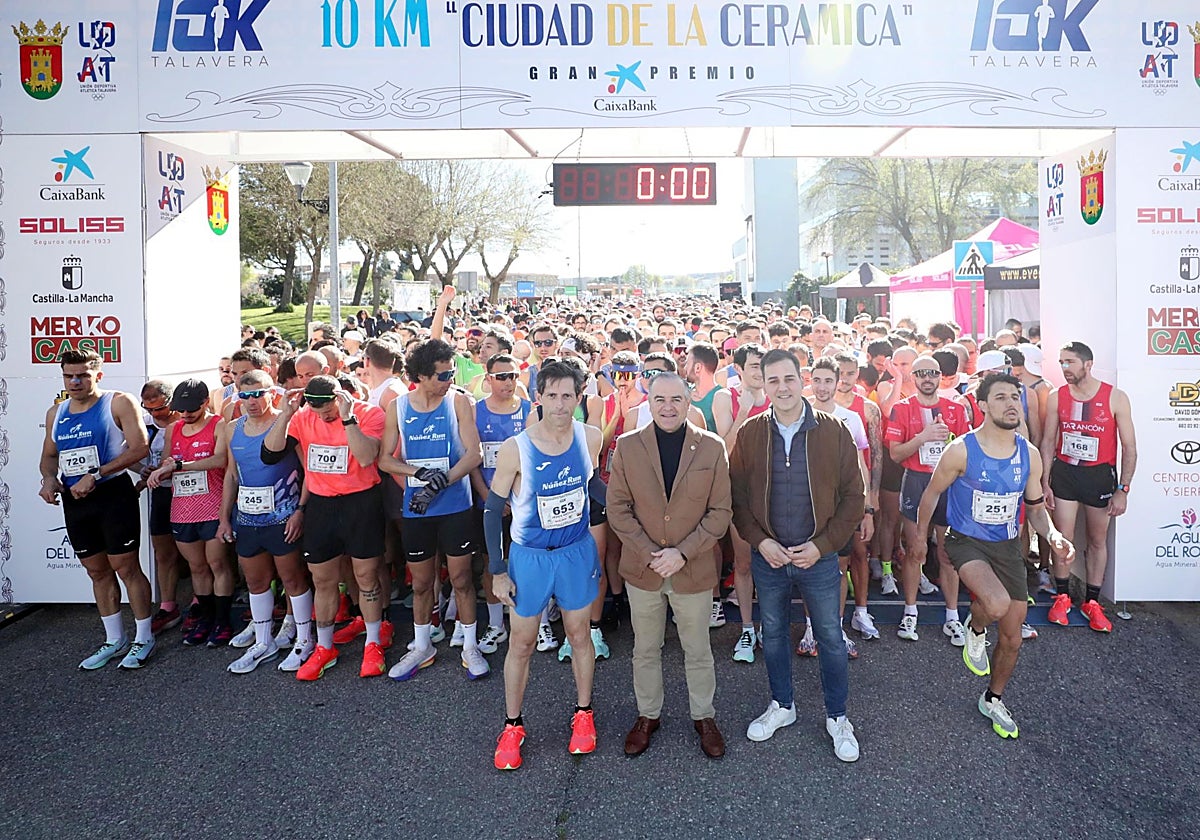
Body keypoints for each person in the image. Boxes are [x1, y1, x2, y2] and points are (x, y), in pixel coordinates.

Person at [910, 372, 1075, 738]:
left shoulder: (1029, 454)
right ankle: (976, 626)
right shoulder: (962, 450)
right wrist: (921, 539)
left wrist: (1052, 533)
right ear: (982, 405)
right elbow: (931, 494)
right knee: (997, 603)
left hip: (1007, 546)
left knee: (1014, 637)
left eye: (1015, 397)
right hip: (965, 541)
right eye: (1000, 397)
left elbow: (1034, 507)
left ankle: (993, 698)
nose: (1011, 403)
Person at [730, 349, 865, 762]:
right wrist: (760, 541)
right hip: (768, 558)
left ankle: (838, 716)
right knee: (772, 636)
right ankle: (782, 706)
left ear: (801, 378)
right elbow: (735, 498)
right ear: (763, 384)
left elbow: (853, 498)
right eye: (773, 381)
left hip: (818, 558)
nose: (782, 388)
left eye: (789, 379)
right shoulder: (752, 433)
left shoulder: (834, 430)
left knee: (830, 637)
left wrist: (822, 546)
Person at [606, 372, 732, 758]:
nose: (668, 407)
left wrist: (682, 552)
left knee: (698, 649)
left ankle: (704, 716)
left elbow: (719, 512)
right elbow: (618, 509)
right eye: (660, 399)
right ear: (649, 400)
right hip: (643, 570)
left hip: (692, 568)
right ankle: (648, 715)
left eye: (676, 399)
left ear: (689, 401)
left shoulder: (711, 448)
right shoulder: (628, 447)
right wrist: (650, 553)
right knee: (645, 648)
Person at [487, 360, 604, 770]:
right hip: (530, 557)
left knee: (579, 635)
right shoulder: (516, 447)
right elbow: (492, 509)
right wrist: (498, 570)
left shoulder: (590, 437)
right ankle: (512, 725)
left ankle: (584, 714)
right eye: (551, 395)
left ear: (578, 397)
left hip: (575, 552)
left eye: (567, 396)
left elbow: (594, 490)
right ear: (538, 397)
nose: (559, 404)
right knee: (521, 642)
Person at [263, 374, 387, 680]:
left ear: (340, 396)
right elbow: (270, 454)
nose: (323, 415)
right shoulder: (304, 417)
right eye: (316, 409)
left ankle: (373, 643)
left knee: (365, 576)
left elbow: (367, 455)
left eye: (328, 407)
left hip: (361, 502)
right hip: (322, 504)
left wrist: (347, 420)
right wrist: (287, 415)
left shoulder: (369, 413)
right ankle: (325, 646)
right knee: (324, 579)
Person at [39, 349, 154, 670]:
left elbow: (140, 448)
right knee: (97, 571)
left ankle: (143, 636)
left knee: (126, 567)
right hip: (76, 501)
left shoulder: (118, 402)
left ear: (97, 375)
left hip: (113, 494)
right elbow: (49, 457)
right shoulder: (56, 413)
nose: (75, 382)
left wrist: (97, 473)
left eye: (83, 375)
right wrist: (49, 480)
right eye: (68, 376)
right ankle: (114, 639)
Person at [380, 339, 486, 681]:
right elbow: (385, 459)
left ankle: (470, 645)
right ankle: (422, 645)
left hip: (455, 506)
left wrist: (440, 482)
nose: (450, 380)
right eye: (443, 375)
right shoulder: (398, 406)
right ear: (422, 377)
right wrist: (419, 475)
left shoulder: (457, 401)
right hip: (417, 510)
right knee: (422, 583)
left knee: (461, 579)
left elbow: (474, 454)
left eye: (452, 372)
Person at [217, 371, 313, 673]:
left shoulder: (286, 423)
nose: (252, 401)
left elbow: (309, 469)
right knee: (256, 582)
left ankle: (305, 640)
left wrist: (300, 510)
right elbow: (232, 475)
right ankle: (263, 641)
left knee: (292, 579)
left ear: (271, 393)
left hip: (283, 515)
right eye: (245, 396)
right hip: (247, 517)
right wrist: (224, 519)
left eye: (257, 394)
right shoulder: (233, 428)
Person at [1039, 342, 1137, 632]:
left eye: (1070, 362)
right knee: (1063, 537)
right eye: (1061, 362)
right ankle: (1063, 596)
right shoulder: (1058, 397)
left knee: (1097, 540)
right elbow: (1047, 441)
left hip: (1099, 477)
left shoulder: (1115, 397)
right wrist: (1045, 480)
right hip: (1066, 474)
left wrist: (1123, 489)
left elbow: (1129, 447)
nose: (1065, 368)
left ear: (1088, 364)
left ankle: (1092, 602)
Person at [886, 355, 972, 644]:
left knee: (948, 554)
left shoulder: (954, 409)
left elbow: (967, 452)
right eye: (921, 373)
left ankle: (952, 617)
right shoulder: (901, 409)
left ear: (940, 377)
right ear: (913, 377)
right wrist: (922, 437)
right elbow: (896, 454)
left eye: (932, 373)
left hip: (948, 486)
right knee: (915, 550)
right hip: (916, 482)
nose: (927, 378)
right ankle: (910, 612)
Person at [147, 380, 233, 647]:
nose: (185, 415)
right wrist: (166, 466)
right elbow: (168, 459)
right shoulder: (174, 428)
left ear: (205, 402)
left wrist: (180, 466)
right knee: (197, 567)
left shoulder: (219, 424)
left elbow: (220, 460)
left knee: (217, 563)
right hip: (182, 508)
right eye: (181, 410)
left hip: (212, 505)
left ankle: (223, 619)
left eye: (191, 410)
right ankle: (205, 618)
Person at [468, 353, 533, 655]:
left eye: (514, 376)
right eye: (502, 376)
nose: (509, 382)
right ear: (488, 378)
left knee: (528, 563)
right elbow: (473, 460)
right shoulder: (475, 412)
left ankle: (536, 621)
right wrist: (486, 496)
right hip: (490, 501)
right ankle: (496, 624)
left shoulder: (530, 410)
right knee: (491, 562)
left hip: (524, 503)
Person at [136, 380, 183, 635]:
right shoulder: (145, 424)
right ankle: (168, 606)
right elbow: (132, 453)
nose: (156, 414)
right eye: (150, 409)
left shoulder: (188, 417)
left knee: (195, 555)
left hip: (190, 493)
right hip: (161, 494)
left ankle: (201, 602)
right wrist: (144, 470)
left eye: (161, 408)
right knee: (163, 553)